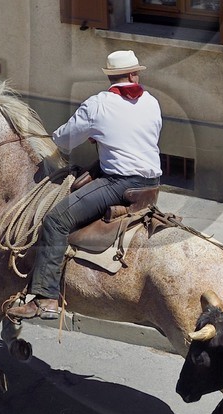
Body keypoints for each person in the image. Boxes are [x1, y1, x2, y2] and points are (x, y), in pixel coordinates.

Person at [8, 51, 163, 321]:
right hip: (152, 183)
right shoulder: (151, 102)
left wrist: (95, 132)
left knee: (56, 219)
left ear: (110, 76)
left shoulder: (98, 105)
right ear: (134, 74)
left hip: (120, 183)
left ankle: (46, 298)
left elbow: (64, 141)